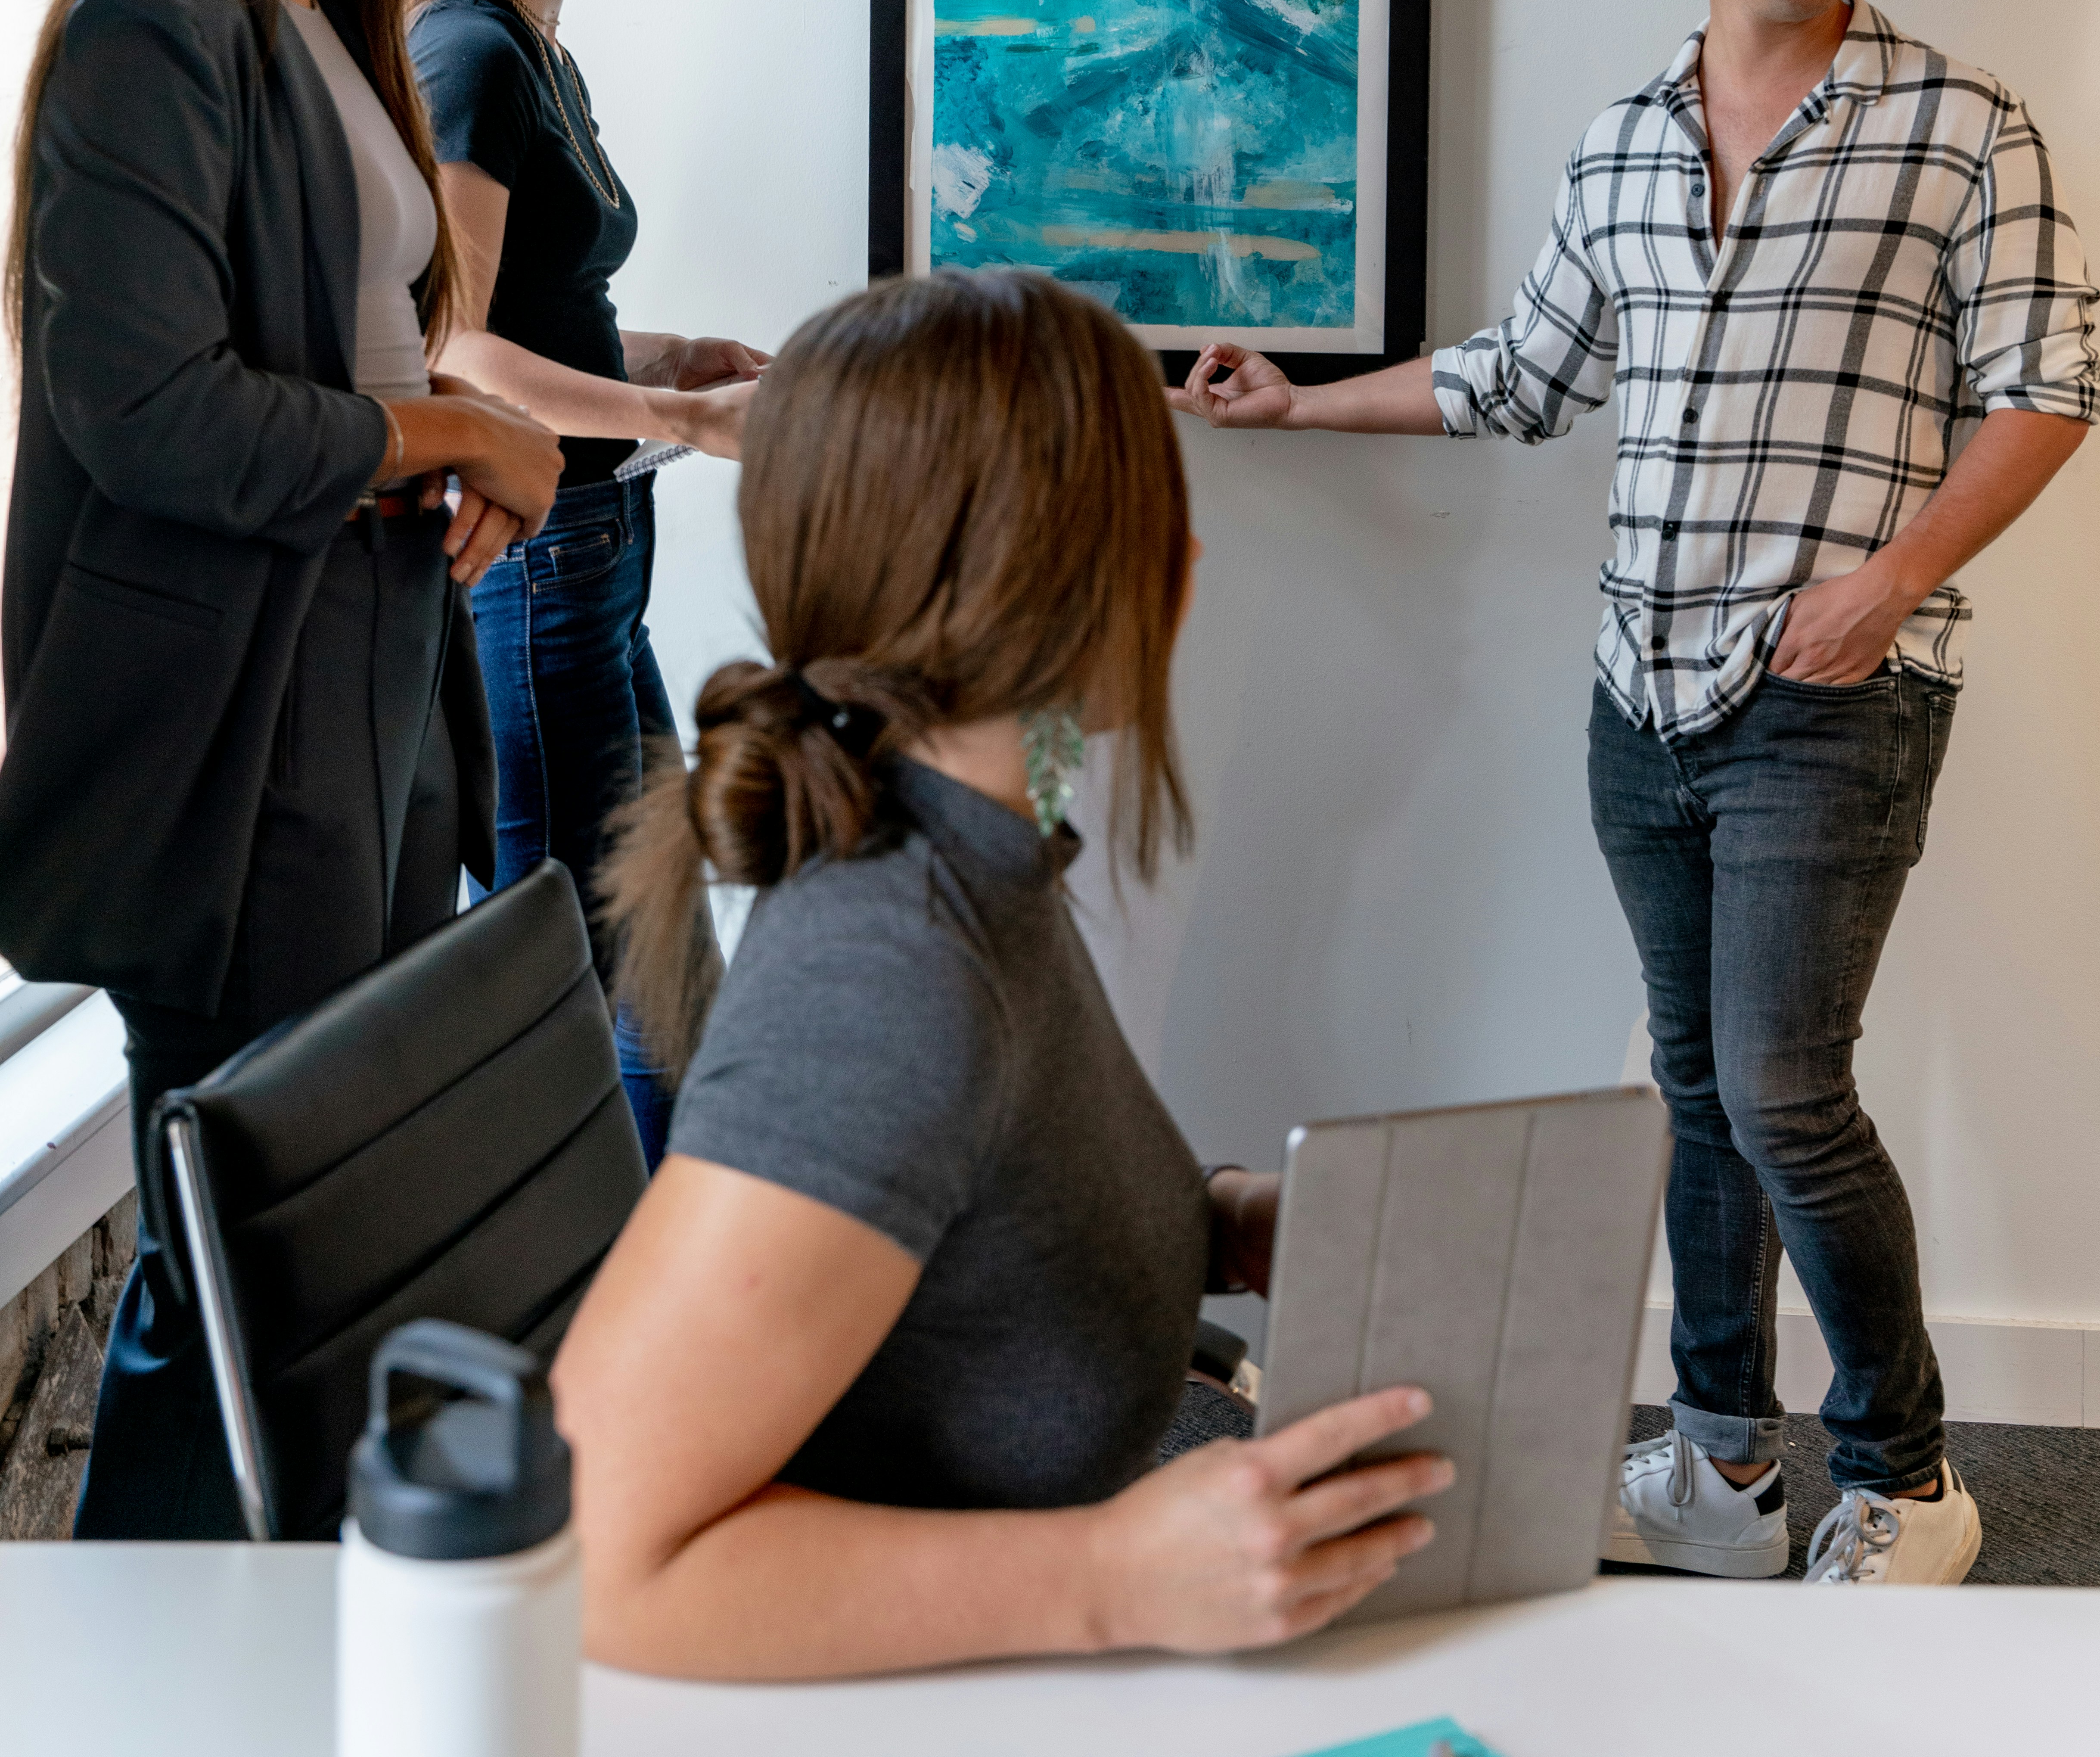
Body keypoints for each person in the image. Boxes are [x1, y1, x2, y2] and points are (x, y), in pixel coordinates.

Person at [1171, 0, 2100, 1590]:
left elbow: (2051, 391)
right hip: (1639, 698)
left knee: (1781, 1089)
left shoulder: (1961, 126)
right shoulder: (1620, 144)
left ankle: (1908, 1479)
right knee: (1693, 1094)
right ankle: (1717, 1465)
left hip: (1834, 697)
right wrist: (1296, 402)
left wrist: (1888, 582)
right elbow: (1517, 375)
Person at [553, 267, 1454, 1679]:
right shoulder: (889, 969)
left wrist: (1215, 1218)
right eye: (1157, 523)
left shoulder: (986, 841)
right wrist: (1107, 1578)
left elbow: (979, 1185)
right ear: (1038, 583)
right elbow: (598, 1556)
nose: (1191, 566)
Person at [0, 0, 562, 1538]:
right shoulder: (150, 20)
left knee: (320, 1273)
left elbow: (342, 370)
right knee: (237, 1287)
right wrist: (458, 431)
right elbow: (155, 413)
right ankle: (139, 1701)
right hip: (240, 768)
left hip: (371, 720)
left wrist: (451, 455)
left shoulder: (320, 24)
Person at [409, 0, 763, 1166]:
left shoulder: (542, 48)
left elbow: (549, 313)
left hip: (600, 547)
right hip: (540, 552)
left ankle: (674, 1303)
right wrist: (678, 417)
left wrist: (666, 355)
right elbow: (453, 346)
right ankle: (602, 1333)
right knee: (574, 966)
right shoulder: (470, 49)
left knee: (662, 947)